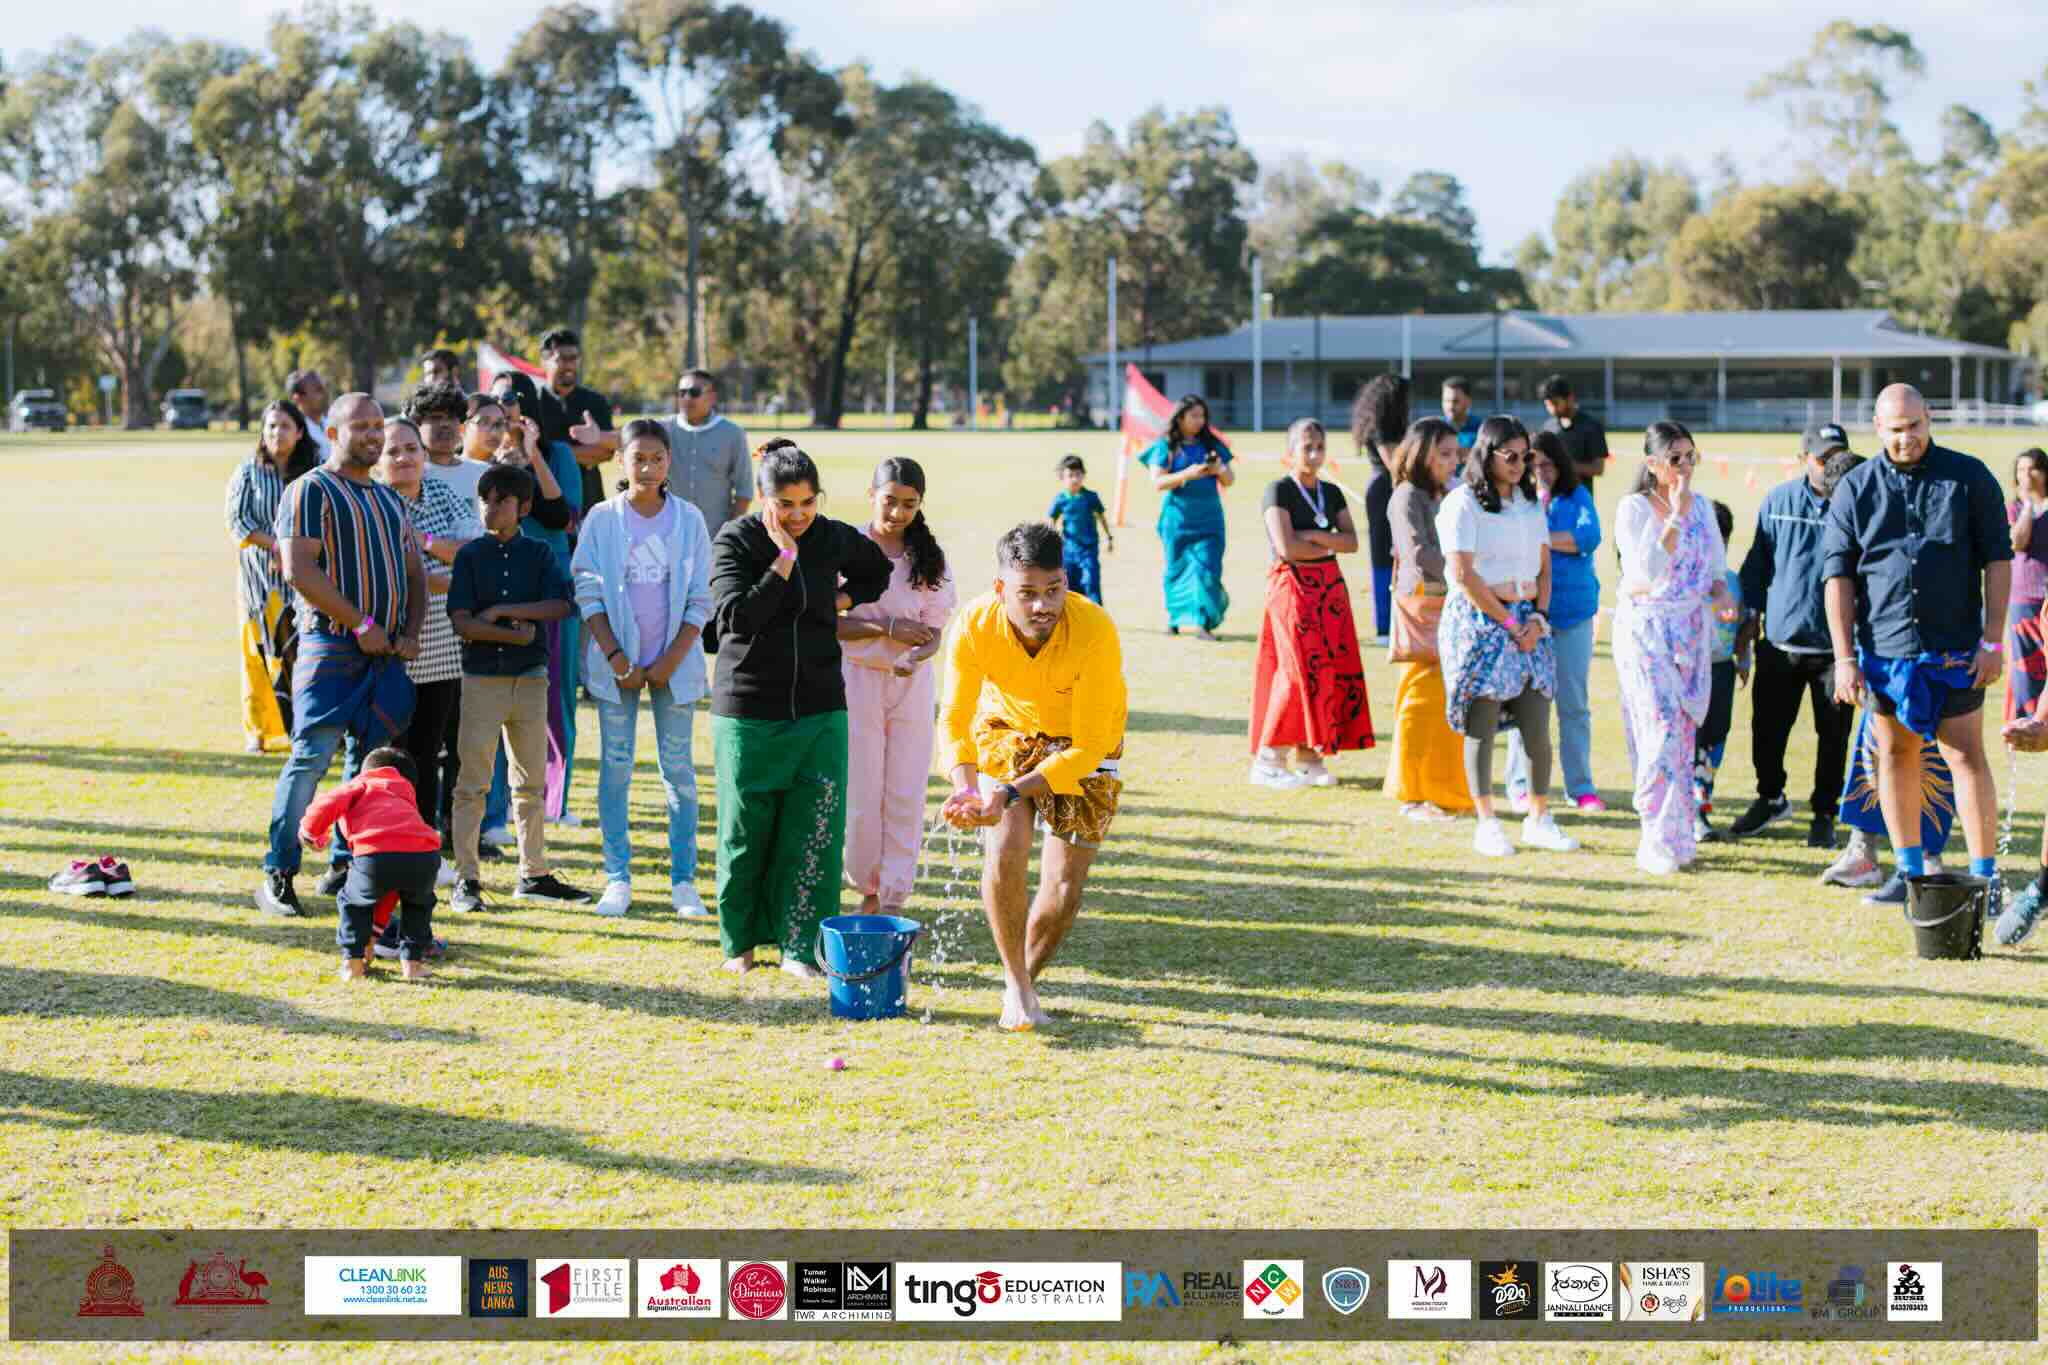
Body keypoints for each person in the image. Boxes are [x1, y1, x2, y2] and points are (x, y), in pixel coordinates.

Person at [709, 440, 893, 976]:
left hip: (819, 709)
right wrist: (784, 559)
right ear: (764, 499)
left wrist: (839, 599)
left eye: (806, 503)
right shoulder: (737, 540)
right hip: (748, 711)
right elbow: (737, 619)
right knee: (746, 830)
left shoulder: (832, 536)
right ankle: (739, 942)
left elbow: (874, 571)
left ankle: (800, 946)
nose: (796, 515)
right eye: (785, 504)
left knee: (814, 827)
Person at [1825, 383, 2010, 912]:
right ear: (1877, 429)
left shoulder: (1970, 477)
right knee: (1896, 753)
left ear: (1929, 419)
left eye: (1915, 427)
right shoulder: (1855, 488)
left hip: (1955, 650)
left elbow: (1999, 561)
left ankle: (1986, 880)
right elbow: (1836, 576)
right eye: (1895, 430)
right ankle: (1910, 874)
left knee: (1964, 756)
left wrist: (1992, 640)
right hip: (1884, 652)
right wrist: (1844, 658)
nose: (1906, 439)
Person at [939, 522, 1127, 1031]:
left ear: (1066, 580)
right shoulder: (974, 624)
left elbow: (1087, 748)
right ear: (1002, 590)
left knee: (1063, 888)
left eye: (1053, 590)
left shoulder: (1095, 629)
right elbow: (955, 719)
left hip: (1086, 743)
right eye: (1027, 594)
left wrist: (1008, 790)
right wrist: (966, 787)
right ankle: (1018, 986)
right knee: (1006, 846)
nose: (1043, 605)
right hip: (1009, 728)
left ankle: (1021, 976)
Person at [254, 393, 424, 917]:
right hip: (332, 648)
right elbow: (298, 571)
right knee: (311, 758)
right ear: (331, 432)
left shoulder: (389, 498)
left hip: (386, 656)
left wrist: (410, 631)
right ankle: (278, 873)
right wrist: (362, 623)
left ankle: (349, 865)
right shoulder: (311, 490)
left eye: (380, 426)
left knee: (369, 768)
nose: (375, 435)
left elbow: (414, 573)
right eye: (362, 426)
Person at [573, 419, 716, 920]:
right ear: (622, 462)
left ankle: (684, 882)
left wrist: (671, 659)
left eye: (657, 458)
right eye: (639, 458)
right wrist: (616, 658)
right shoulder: (602, 519)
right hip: (618, 668)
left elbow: (702, 596)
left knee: (679, 772)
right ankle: (618, 878)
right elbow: (587, 590)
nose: (648, 467)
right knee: (616, 769)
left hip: (672, 668)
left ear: (669, 462)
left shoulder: (689, 519)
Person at [446, 464, 589, 912]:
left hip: (530, 681)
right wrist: (515, 632)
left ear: (524, 507)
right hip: (481, 680)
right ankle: (466, 879)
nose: (491, 509)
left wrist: (502, 610)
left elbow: (562, 604)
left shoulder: (541, 555)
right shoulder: (470, 556)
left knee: (528, 784)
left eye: (502, 501)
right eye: (485, 500)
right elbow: (462, 620)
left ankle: (533, 872)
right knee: (472, 784)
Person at [1437, 416, 1578, 858]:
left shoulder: (1530, 503)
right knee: (1482, 724)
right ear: (1488, 455)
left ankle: (1539, 817)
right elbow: (1463, 574)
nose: (1519, 464)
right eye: (1510, 456)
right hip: (1482, 620)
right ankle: (1488, 823)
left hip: (1527, 619)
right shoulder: (1463, 504)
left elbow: (1545, 569)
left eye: (1525, 456)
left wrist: (1537, 617)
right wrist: (1509, 623)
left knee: (1537, 723)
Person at [1613, 421, 1740, 874]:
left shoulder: (1704, 508)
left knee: (1684, 735)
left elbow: (1715, 567)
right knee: (1660, 728)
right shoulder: (1633, 508)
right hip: (1646, 631)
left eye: (1691, 456)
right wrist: (1674, 516)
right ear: (1653, 464)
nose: (1685, 466)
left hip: (1690, 631)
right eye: (1675, 459)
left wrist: (1722, 594)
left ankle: (1677, 835)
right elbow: (1643, 571)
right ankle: (1652, 834)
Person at [1727, 423, 1859, 848]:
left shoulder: (1857, 504)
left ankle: (1824, 813)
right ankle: (1770, 797)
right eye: (1822, 458)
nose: (1829, 466)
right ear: (1804, 459)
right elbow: (1757, 566)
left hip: (1835, 650)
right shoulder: (1779, 500)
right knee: (1767, 729)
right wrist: (1748, 621)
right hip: (1781, 643)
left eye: (1837, 457)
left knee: (1833, 737)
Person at [839, 457, 957, 916]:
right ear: (872, 496)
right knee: (863, 790)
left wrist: (916, 656)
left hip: (910, 685)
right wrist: (885, 628)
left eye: (909, 504)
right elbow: (828, 621)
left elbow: (933, 632)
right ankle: (866, 888)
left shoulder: (928, 556)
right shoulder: (847, 547)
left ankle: (891, 898)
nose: (897, 513)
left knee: (906, 791)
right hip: (856, 681)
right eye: (889, 501)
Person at [376, 416, 480, 885]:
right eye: (393, 450)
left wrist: (426, 545)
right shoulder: (375, 501)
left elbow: (472, 554)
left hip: (444, 650)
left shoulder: (443, 495)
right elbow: (396, 574)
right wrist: (437, 572)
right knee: (390, 754)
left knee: (432, 750)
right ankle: (380, 845)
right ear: (379, 459)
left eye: (410, 449)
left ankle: (426, 848)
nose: (403, 458)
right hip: (392, 646)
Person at [1249, 417, 1371, 788]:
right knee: (1295, 670)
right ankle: (1269, 757)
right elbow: (1286, 547)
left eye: (1320, 445)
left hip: (1330, 590)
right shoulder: (1278, 490)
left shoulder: (1331, 493)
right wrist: (1326, 541)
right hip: (1293, 588)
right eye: (1307, 446)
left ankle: (1310, 755)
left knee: (1328, 669)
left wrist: (1315, 535)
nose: (1315, 453)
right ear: (1290, 451)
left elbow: (1352, 542)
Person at [1505, 429, 1604, 812]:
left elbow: (1588, 536)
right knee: (1523, 703)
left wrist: (1541, 535)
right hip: (1528, 615)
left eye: (1548, 463)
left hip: (1573, 614)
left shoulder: (1576, 496)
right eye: (1534, 463)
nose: (1541, 471)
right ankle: (1519, 784)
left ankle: (1580, 787)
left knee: (1573, 705)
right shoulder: (1518, 501)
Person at [1385, 417, 1474, 821]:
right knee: (1419, 704)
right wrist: (1467, 576)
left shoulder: (1448, 492)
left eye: (1455, 453)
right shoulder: (1406, 496)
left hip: (1451, 603)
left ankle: (1444, 790)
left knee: (1447, 705)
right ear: (1422, 454)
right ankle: (1413, 793)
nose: (1452, 462)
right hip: (1424, 606)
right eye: (1444, 454)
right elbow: (1417, 553)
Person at [225, 398, 318, 754]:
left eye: (284, 426)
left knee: (303, 653)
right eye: (271, 426)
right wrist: (279, 547)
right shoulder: (247, 472)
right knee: (258, 655)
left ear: (299, 432)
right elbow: (239, 523)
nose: (277, 433)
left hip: (304, 583)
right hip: (259, 585)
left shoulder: (312, 472)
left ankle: (304, 728)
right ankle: (259, 731)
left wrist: (299, 551)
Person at [299, 746, 440, 981]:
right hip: (424, 854)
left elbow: (327, 802)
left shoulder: (362, 783)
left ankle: (353, 965)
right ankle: (413, 965)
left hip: (375, 852)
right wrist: (372, 936)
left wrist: (310, 832)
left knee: (353, 902)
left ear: (366, 770)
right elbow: (388, 892)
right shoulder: (404, 793)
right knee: (418, 906)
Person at [1138, 395, 1234, 641]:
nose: (1199, 421)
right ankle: (1175, 619)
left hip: (1210, 519)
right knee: (1176, 570)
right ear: (1180, 417)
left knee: (1207, 569)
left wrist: (1218, 469)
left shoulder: (1212, 444)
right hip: (1177, 520)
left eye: (1202, 416)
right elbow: (1157, 482)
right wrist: (1188, 474)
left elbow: (1230, 480)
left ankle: (1203, 623)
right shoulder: (1165, 447)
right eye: (1194, 416)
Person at [1691, 500, 1751, 842]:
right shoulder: (1684, 580)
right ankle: (1691, 811)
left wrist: (1743, 661)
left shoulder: (1732, 581)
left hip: (1721, 670)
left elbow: (1743, 624)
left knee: (1715, 737)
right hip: (1689, 673)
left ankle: (1704, 800)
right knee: (1691, 741)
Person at [534, 327, 618, 526]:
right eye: (562, 359)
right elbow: (530, 452)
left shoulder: (595, 401)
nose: (569, 365)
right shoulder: (534, 403)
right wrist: (584, 452)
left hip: (589, 502)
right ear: (544, 361)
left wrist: (552, 450)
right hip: (544, 502)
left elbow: (606, 452)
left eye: (574, 358)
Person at [1351, 374, 1411, 644]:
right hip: (1384, 491)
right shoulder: (1382, 428)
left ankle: (1397, 620)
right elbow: (1394, 464)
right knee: (1383, 558)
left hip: (1395, 490)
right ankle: (1384, 626)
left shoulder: (1395, 426)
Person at [661, 368, 752, 535]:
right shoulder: (661, 430)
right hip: (669, 533)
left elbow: (744, 491)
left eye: (694, 392)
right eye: (682, 392)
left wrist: (728, 534)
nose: (687, 398)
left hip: (714, 535)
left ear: (712, 397)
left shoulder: (733, 433)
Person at [2002, 447, 2048, 724]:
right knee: (2025, 663)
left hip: (2047, 599)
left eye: (2031, 469)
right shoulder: (2015, 508)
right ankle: (2028, 719)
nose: (2026, 475)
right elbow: (2017, 542)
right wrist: (2028, 506)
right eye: (2020, 470)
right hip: (2023, 597)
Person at [1046, 455, 1112, 603]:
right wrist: (1051, 539)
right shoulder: (1060, 499)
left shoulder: (1090, 497)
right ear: (1062, 477)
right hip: (1068, 550)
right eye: (1070, 475)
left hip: (1089, 549)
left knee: (1091, 582)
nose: (1074, 479)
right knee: (1070, 585)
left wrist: (1109, 538)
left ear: (1084, 475)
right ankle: (1074, 617)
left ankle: (1097, 617)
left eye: (1078, 475)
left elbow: (1102, 518)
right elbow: (1052, 520)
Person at [410, 382, 487, 504]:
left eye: (451, 417)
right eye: (435, 417)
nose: (444, 424)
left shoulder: (483, 473)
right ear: (417, 425)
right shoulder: (410, 475)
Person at [1539, 375, 1609, 486]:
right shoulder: (1547, 427)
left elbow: (1598, 468)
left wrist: (1565, 465)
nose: (1552, 409)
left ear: (1570, 398)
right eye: (1548, 405)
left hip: (1580, 498)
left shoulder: (1591, 426)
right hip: (1552, 499)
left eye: (1556, 403)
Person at [286, 368, 331, 462]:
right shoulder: (292, 433)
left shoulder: (332, 424)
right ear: (297, 398)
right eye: (318, 389)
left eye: (324, 388)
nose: (325, 394)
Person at [1441, 376, 1481, 448]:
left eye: (1455, 401)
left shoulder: (1481, 430)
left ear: (1468, 401)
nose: (1450, 406)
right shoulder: (1436, 429)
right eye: (1446, 401)